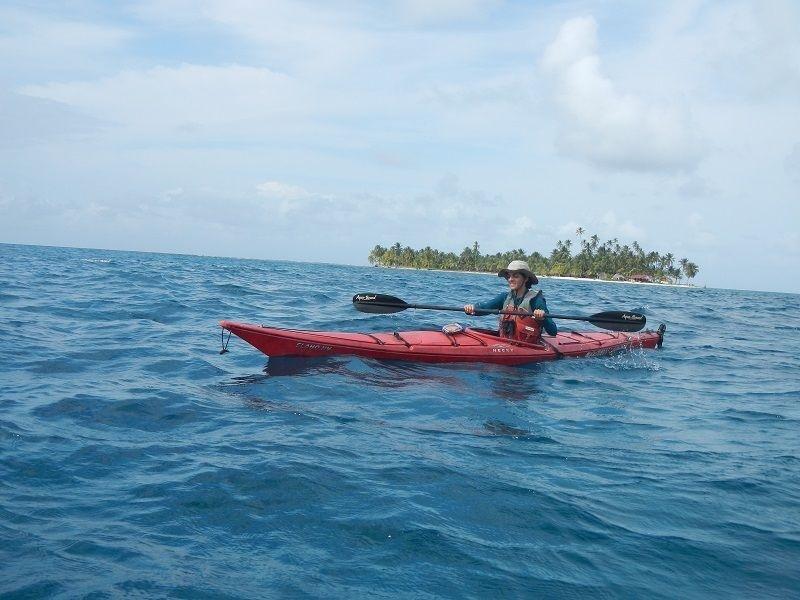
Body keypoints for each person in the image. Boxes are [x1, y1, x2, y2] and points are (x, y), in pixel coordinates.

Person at [464, 260, 557, 341]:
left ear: (526, 279)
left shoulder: (536, 300)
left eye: (515, 276)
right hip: (505, 343)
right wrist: (472, 309)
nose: (510, 279)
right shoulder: (505, 297)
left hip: (528, 346)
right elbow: (485, 308)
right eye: (509, 276)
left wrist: (542, 318)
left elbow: (553, 331)